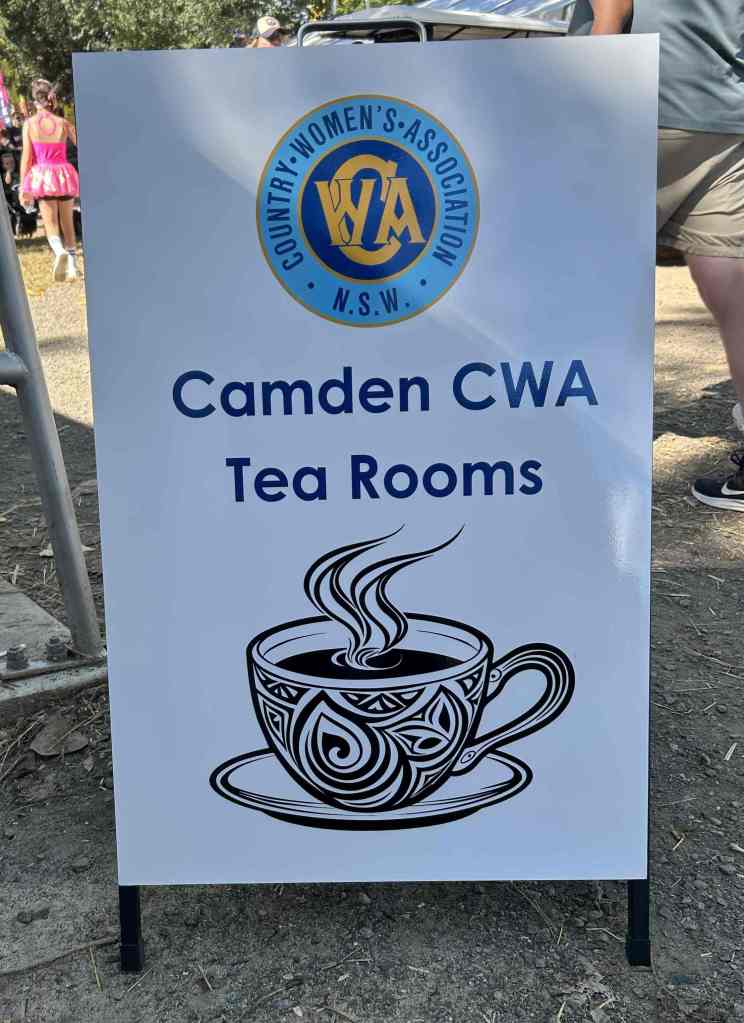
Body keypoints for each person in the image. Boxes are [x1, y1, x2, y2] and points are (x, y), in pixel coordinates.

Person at [569, 1, 744, 511]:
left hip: (631, 99)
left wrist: (588, 88)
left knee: (589, 279)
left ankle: (576, 446)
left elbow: (613, 7)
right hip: (721, 111)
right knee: (733, 292)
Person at [18, 79, 80, 281]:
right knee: (67, 222)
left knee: (50, 222)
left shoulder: (30, 124)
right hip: (64, 174)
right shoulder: (63, 123)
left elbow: (27, 158)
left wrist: (23, 188)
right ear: (51, 98)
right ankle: (73, 266)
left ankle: (59, 251)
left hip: (43, 177)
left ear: (34, 100)